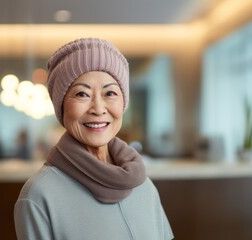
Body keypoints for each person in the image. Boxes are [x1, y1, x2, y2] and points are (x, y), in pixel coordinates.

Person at [14, 38, 174, 240]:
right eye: (82, 94)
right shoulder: (39, 196)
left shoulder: (143, 185)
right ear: (62, 107)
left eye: (110, 93)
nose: (98, 109)